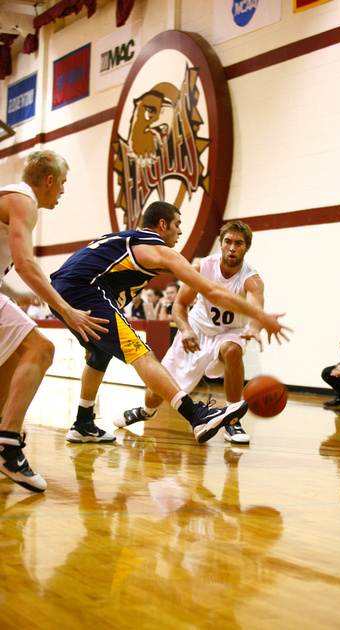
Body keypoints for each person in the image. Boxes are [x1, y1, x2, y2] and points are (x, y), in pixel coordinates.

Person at [49, 202, 292, 446]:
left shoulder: (129, 241)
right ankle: (196, 414)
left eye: (238, 243)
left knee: (99, 355)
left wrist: (255, 321)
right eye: (177, 225)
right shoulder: (158, 250)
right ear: (162, 225)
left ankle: (83, 423)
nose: (180, 231)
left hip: (66, 291)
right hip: (85, 291)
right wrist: (262, 316)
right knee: (140, 351)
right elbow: (210, 292)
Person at [0, 150, 108, 493]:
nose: (62, 191)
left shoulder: (9, 197)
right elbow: (26, 263)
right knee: (42, 348)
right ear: (48, 181)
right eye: (62, 183)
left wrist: (14, 293)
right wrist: (65, 309)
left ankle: (4, 432)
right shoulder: (23, 202)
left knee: (15, 354)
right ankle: (8, 445)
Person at [115, 220, 269, 445]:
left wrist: (254, 328)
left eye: (239, 243)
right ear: (221, 243)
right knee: (156, 393)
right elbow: (179, 305)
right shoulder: (202, 267)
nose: (233, 247)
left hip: (228, 332)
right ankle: (146, 411)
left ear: (247, 247)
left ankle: (233, 419)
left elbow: (257, 311)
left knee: (233, 350)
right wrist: (185, 330)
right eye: (228, 241)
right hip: (196, 330)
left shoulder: (252, 280)